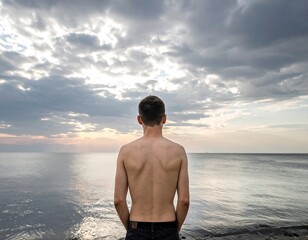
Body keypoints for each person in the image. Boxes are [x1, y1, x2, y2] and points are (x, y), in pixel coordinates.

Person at [114, 95, 190, 240]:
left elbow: (118, 200)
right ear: (164, 118)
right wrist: (174, 230)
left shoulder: (126, 151)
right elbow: (184, 201)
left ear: (139, 119)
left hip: (137, 227)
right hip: (168, 227)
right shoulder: (178, 151)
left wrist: (131, 229)